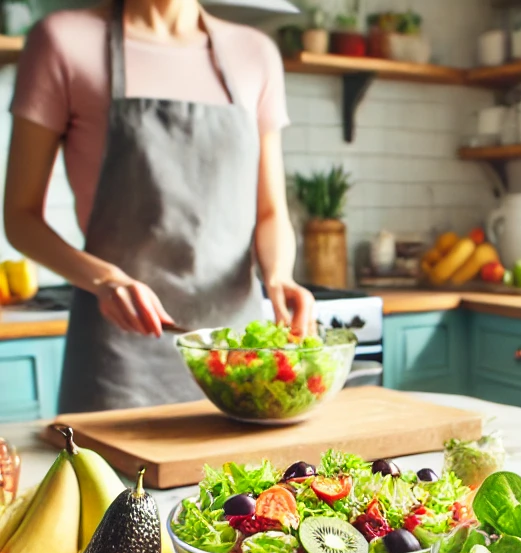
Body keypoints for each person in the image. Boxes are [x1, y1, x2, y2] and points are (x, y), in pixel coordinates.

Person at [4, 0, 315, 413]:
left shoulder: (255, 53)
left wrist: (279, 275)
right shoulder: (62, 42)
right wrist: (103, 280)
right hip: (118, 359)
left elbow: (271, 211)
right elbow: (19, 216)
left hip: (234, 356)